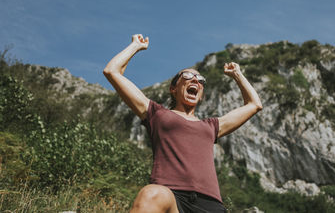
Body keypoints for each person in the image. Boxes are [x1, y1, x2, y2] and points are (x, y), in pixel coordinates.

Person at [103, 34, 263, 213]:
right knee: (151, 194)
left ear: (201, 93)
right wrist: (135, 46)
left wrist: (237, 75)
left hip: (210, 205)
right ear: (173, 89)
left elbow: (254, 104)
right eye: (187, 76)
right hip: (171, 198)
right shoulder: (156, 114)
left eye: (200, 80)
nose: (195, 80)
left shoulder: (211, 126)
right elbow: (112, 71)